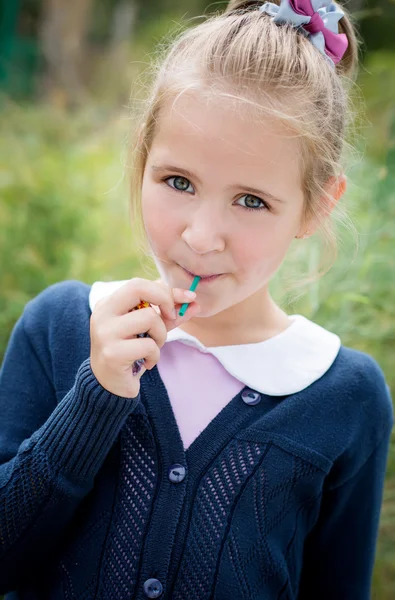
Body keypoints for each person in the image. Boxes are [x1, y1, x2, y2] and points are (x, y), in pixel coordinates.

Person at [0, 1, 393, 598]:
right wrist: (95, 396)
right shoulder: (58, 329)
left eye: (252, 201)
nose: (201, 236)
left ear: (318, 206)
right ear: (142, 157)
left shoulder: (346, 396)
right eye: (178, 182)